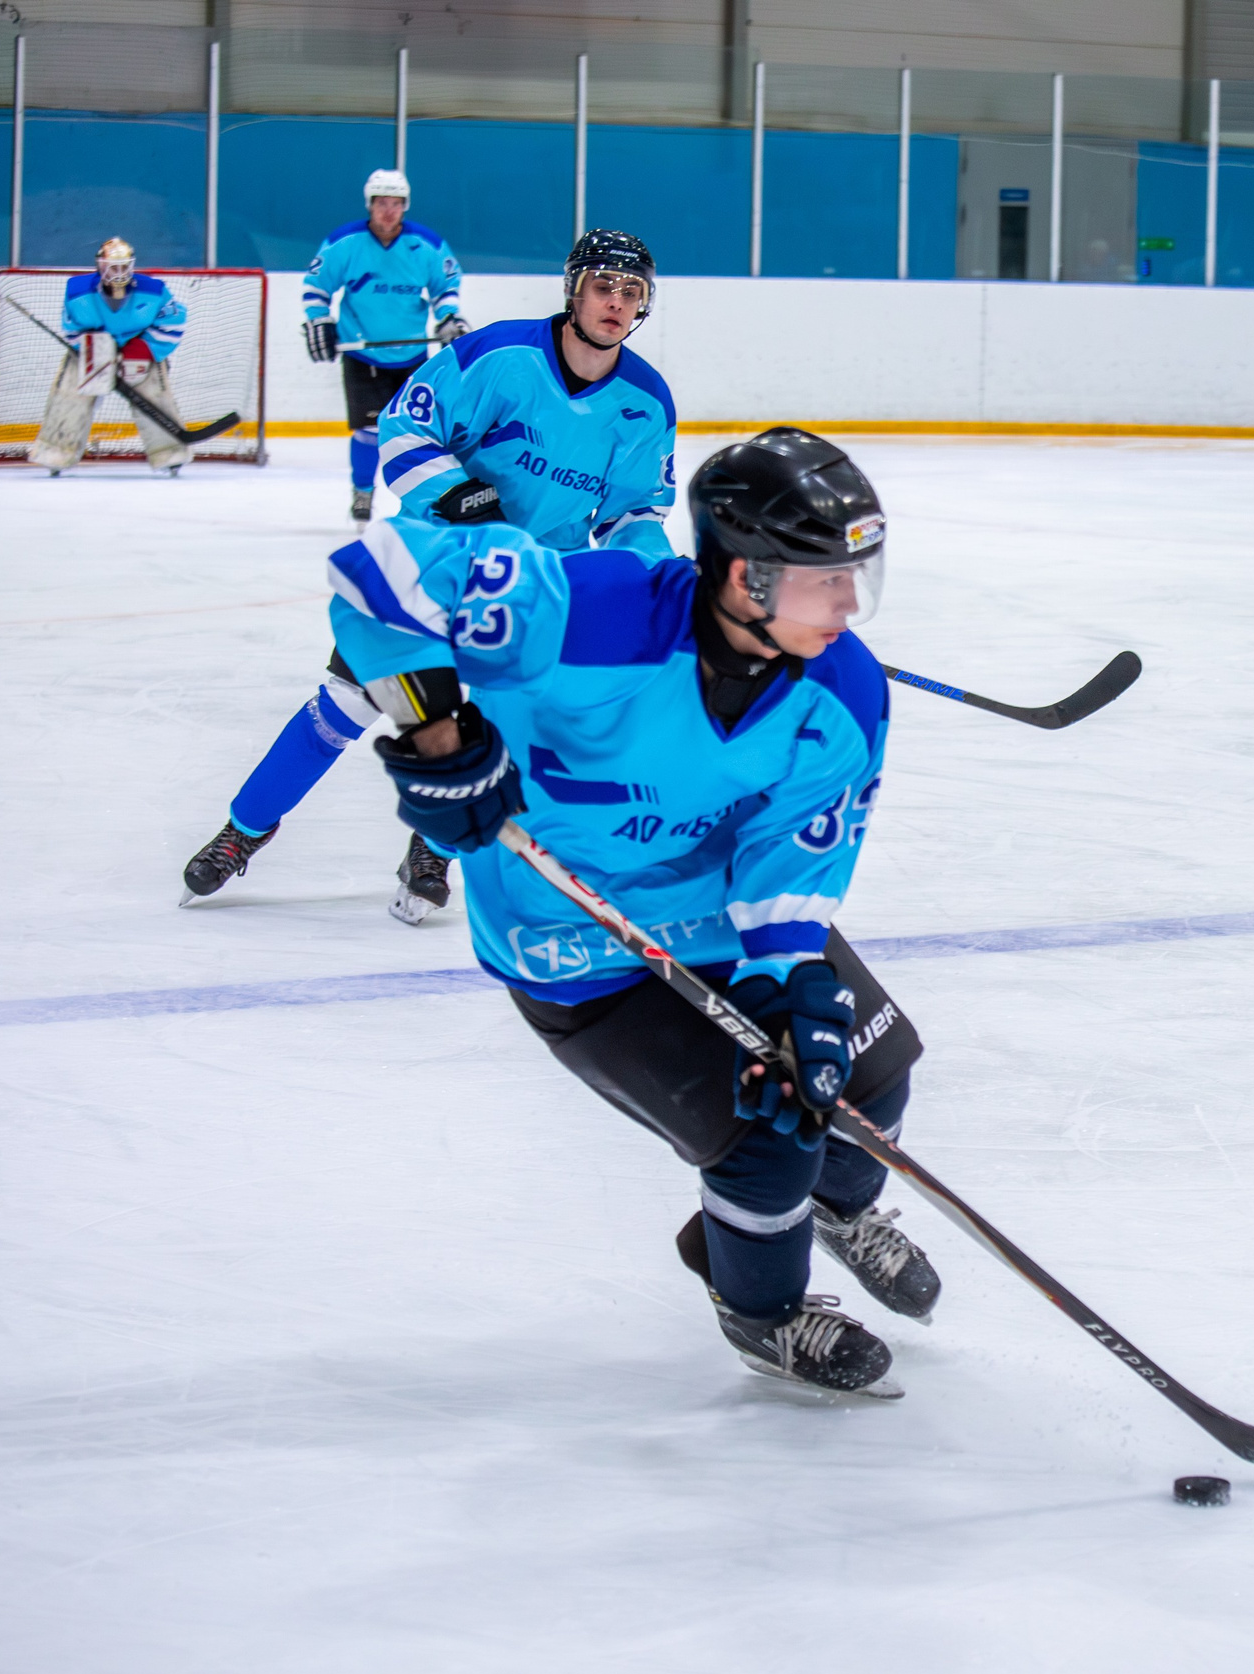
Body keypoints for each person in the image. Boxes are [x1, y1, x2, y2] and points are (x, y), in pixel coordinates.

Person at [324, 428, 938, 1395]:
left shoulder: (844, 687)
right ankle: (763, 1312)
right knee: (766, 1144)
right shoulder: (586, 611)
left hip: (717, 921)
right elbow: (378, 576)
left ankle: (832, 1205)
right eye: (826, 581)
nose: (850, 605)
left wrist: (784, 981)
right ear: (745, 577)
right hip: (571, 941)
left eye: (856, 576)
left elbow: (793, 850)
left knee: (867, 1080)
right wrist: (438, 737)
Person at [180, 230, 679, 925]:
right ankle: (244, 829)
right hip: (432, 566)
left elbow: (635, 514)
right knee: (345, 707)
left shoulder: (645, 402)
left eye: (631, 292)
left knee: (499, 730)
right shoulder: (496, 355)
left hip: (533, 588)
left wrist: (656, 577)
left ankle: (431, 850)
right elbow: (405, 429)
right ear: (574, 289)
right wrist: (456, 493)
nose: (616, 303)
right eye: (603, 286)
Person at [302, 169, 467, 525]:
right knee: (369, 431)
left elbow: (445, 288)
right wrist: (319, 320)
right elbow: (316, 288)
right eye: (381, 203)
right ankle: (362, 492)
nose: (389, 211)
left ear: (405, 205)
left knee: (419, 434)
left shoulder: (426, 245)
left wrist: (448, 318)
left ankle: (423, 501)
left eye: (396, 203)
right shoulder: (345, 243)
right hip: (362, 355)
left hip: (413, 359)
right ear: (370, 204)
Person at [31, 238, 192, 474]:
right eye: (112, 267)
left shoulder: (154, 290)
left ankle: (170, 453)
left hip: (140, 348)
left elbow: (173, 322)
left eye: (123, 266)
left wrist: (142, 348)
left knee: (153, 394)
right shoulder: (77, 292)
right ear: (100, 265)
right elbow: (72, 330)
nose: (118, 273)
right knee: (71, 393)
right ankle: (56, 451)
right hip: (94, 348)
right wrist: (99, 349)